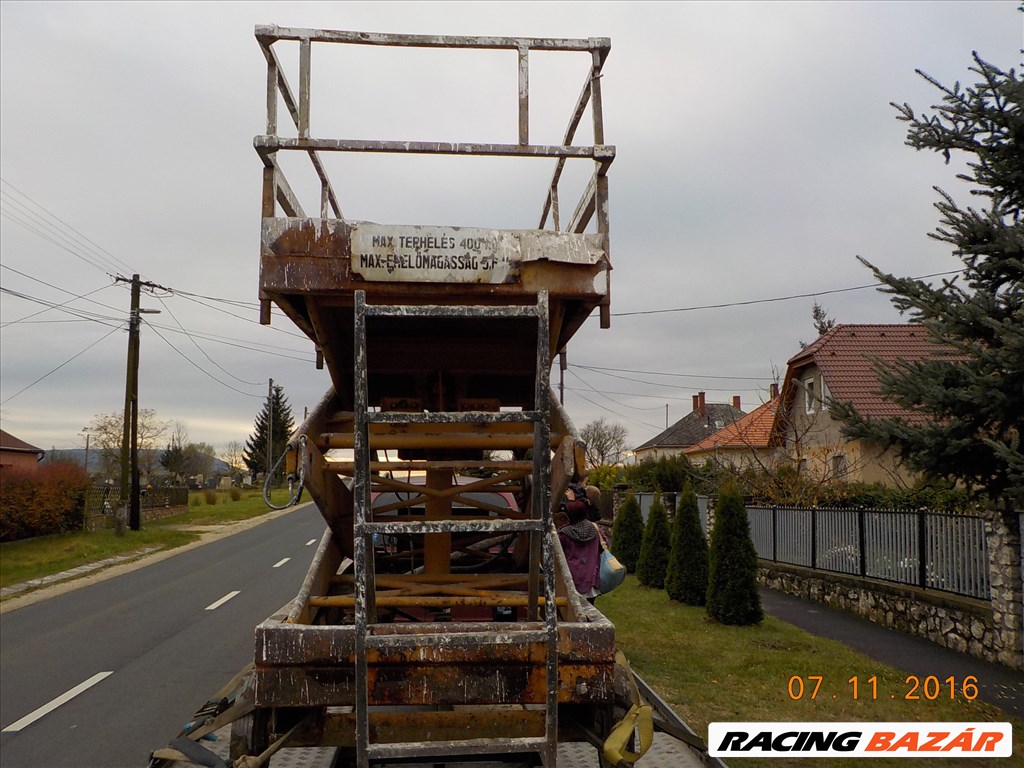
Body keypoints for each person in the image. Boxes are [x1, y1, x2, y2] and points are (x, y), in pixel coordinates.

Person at [557, 488, 601, 604]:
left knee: (572, 613)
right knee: (591, 613)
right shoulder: (595, 530)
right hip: (591, 578)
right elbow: (604, 545)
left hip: (572, 579)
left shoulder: (564, 534)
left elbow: (555, 552)